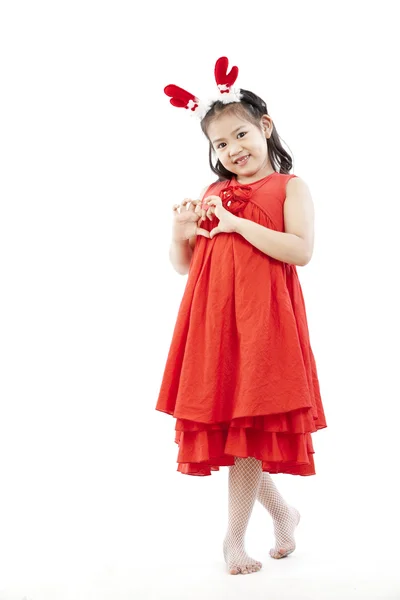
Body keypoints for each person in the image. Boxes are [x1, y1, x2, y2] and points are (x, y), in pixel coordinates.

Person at [156, 57, 327, 576]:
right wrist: (182, 232)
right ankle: (283, 513)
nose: (233, 150)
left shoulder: (289, 188)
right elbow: (186, 266)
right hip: (214, 322)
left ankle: (233, 539)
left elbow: (299, 251)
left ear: (265, 127)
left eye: (240, 135)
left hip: (265, 323)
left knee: (248, 422)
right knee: (236, 425)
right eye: (220, 144)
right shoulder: (213, 193)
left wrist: (234, 224)